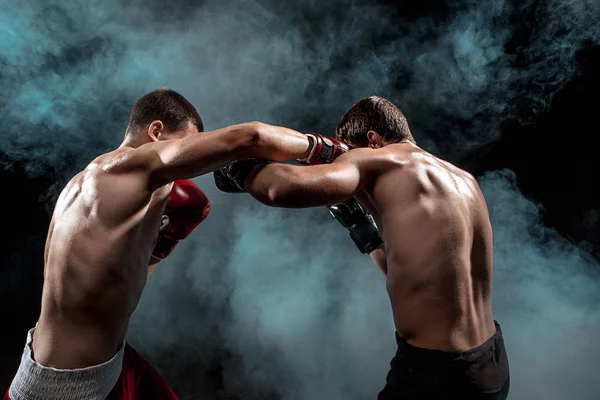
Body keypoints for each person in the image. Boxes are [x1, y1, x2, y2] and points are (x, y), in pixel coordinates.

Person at [5, 88, 316, 400]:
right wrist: (322, 149)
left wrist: (161, 245)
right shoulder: (121, 169)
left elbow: (111, 289)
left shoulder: (92, 188)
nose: (185, 161)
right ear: (156, 131)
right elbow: (251, 136)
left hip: (101, 367)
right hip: (66, 390)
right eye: (184, 145)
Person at [214, 96, 510, 399]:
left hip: (439, 374)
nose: (348, 164)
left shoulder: (379, 159)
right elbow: (417, 275)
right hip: (491, 361)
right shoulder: (463, 179)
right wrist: (362, 231)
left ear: (373, 140)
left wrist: (243, 171)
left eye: (349, 153)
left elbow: (280, 188)